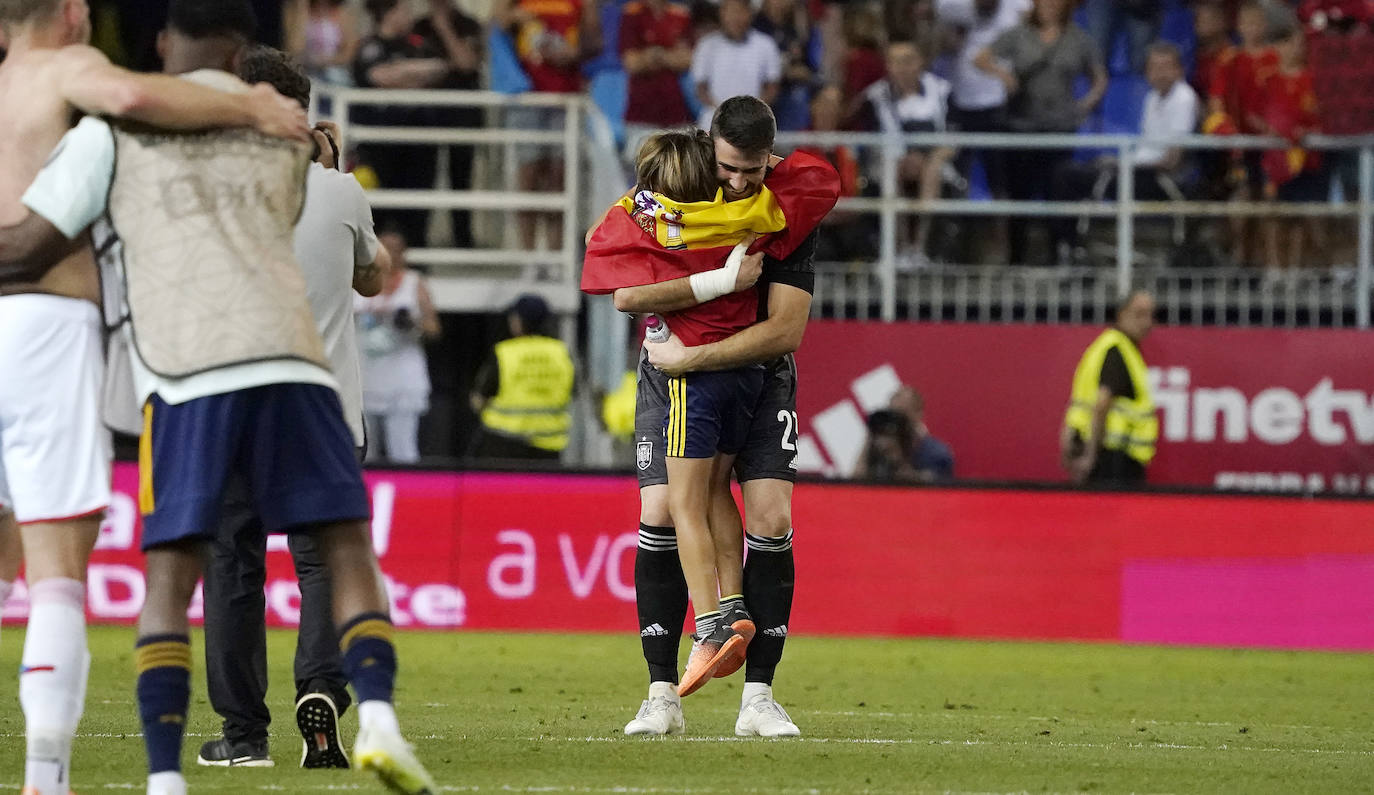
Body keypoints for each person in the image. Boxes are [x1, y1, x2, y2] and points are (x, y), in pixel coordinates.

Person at [0, 1, 437, 792]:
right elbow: (358, 260)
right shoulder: (298, 149)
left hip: (189, 370)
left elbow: (31, 243)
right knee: (342, 553)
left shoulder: (113, 132)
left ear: (163, 46)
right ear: (247, 48)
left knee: (182, 571)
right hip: (301, 367)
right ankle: (375, 717)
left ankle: (174, 768)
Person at [193, 44, 394, 771]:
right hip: (326, 415)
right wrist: (332, 175)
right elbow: (374, 280)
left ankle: (243, 734)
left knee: (234, 566)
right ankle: (321, 689)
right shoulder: (342, 194)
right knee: (325, 566)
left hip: (232, 413)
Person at [616, 97, 837, 737]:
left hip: (756, 375)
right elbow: (625, 290)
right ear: (710, 149)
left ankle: (758, 698)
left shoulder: (787, 212)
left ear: (771, 158)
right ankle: (661, 694)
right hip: (673, 372)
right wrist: (711, 295)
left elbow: (786, 329)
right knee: (660, 512)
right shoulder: (678, 188)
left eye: (753, 171)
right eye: (729, 167)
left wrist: (699, 355)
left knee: (771, 516)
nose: (739, 182)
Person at [975, 0, 1107, 266]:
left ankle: (1059, 255)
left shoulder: (1078, 39)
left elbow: (1100, 77)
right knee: (1019, 193)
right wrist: (1004, 76)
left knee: (1058, 193)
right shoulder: (1018, 34)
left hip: (1059, 129)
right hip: (1021, 127)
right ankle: (1017, 258)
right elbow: (980, 58)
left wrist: (1085, 104)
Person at [493, 0, 601, 251]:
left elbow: (595, 40)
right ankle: (529, 257)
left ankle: (555, 254)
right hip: (526, 94)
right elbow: (497, 21)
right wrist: (517, 16)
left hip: (566, 96)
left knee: (558, 180)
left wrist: (574, 53)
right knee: (528, 178)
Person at [851, 39, 956, 267]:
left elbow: (953, 135)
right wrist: (902, 156)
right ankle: (898, 248)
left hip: (934, 158)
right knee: (891, 168)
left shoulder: (941, 90)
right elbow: (875, 138)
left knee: (932, 169)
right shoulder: (876, 96)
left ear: (920, 63)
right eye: (896, 62)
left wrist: (933, 155)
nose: (902, 68)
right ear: (888, 66)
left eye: (908, 61)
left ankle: (919, 247)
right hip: (890, 158)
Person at [355, 231, 442, 464]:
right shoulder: (356, 281)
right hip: (366, 377)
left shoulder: (415, 283)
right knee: (364, 453)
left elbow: (434, 329)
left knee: (403, 452)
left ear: (404, 253)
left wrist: (413, 323)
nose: (391, 254)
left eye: (396, 249)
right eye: (385, 248)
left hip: (403, 378)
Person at [1061, 289, 1159, 487]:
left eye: (1151, 315)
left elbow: (1077, 405)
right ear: (1121, 313)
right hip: (1112, 458)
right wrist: (1091, 456)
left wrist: (1067, 445)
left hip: (1105, 454)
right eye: (1139, 314)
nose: (1147, 322)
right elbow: (1101, 404)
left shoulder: (1107, 346)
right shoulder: (1118, 350)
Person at [470, 294, 576, 461]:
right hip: (548, 449)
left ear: (519, 322)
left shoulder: (505, 353)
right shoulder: (562, 353)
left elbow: (479, 399)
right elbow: (572, 392)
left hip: (503, 446)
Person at [618, 0, 695, 156]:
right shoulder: (632, 13)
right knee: (643, 172)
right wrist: (669, 56)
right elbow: (632, 63)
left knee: (679, 172)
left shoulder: (680, 14)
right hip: (640, 112)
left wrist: (654, 55)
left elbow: (687, 60)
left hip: (676, 111)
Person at [690, 0, 782, 129]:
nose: (735, 17)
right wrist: (721, 111)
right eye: (731, 11)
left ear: (750, 14)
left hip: (754, 116)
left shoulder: (766, 44)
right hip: (715, 114)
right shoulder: (706, 45)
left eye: (740, 11)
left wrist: (754, 111)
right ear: (721, 13)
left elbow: (772, 87)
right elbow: (700, 88)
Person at [888, 386, 955, 481]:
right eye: (893, 414)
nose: (897, 420)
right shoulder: (882, 449)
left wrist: (911, 476)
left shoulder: (937, 453)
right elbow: (861, 481)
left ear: (918, 414)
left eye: (902, 413)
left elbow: (936, 483)